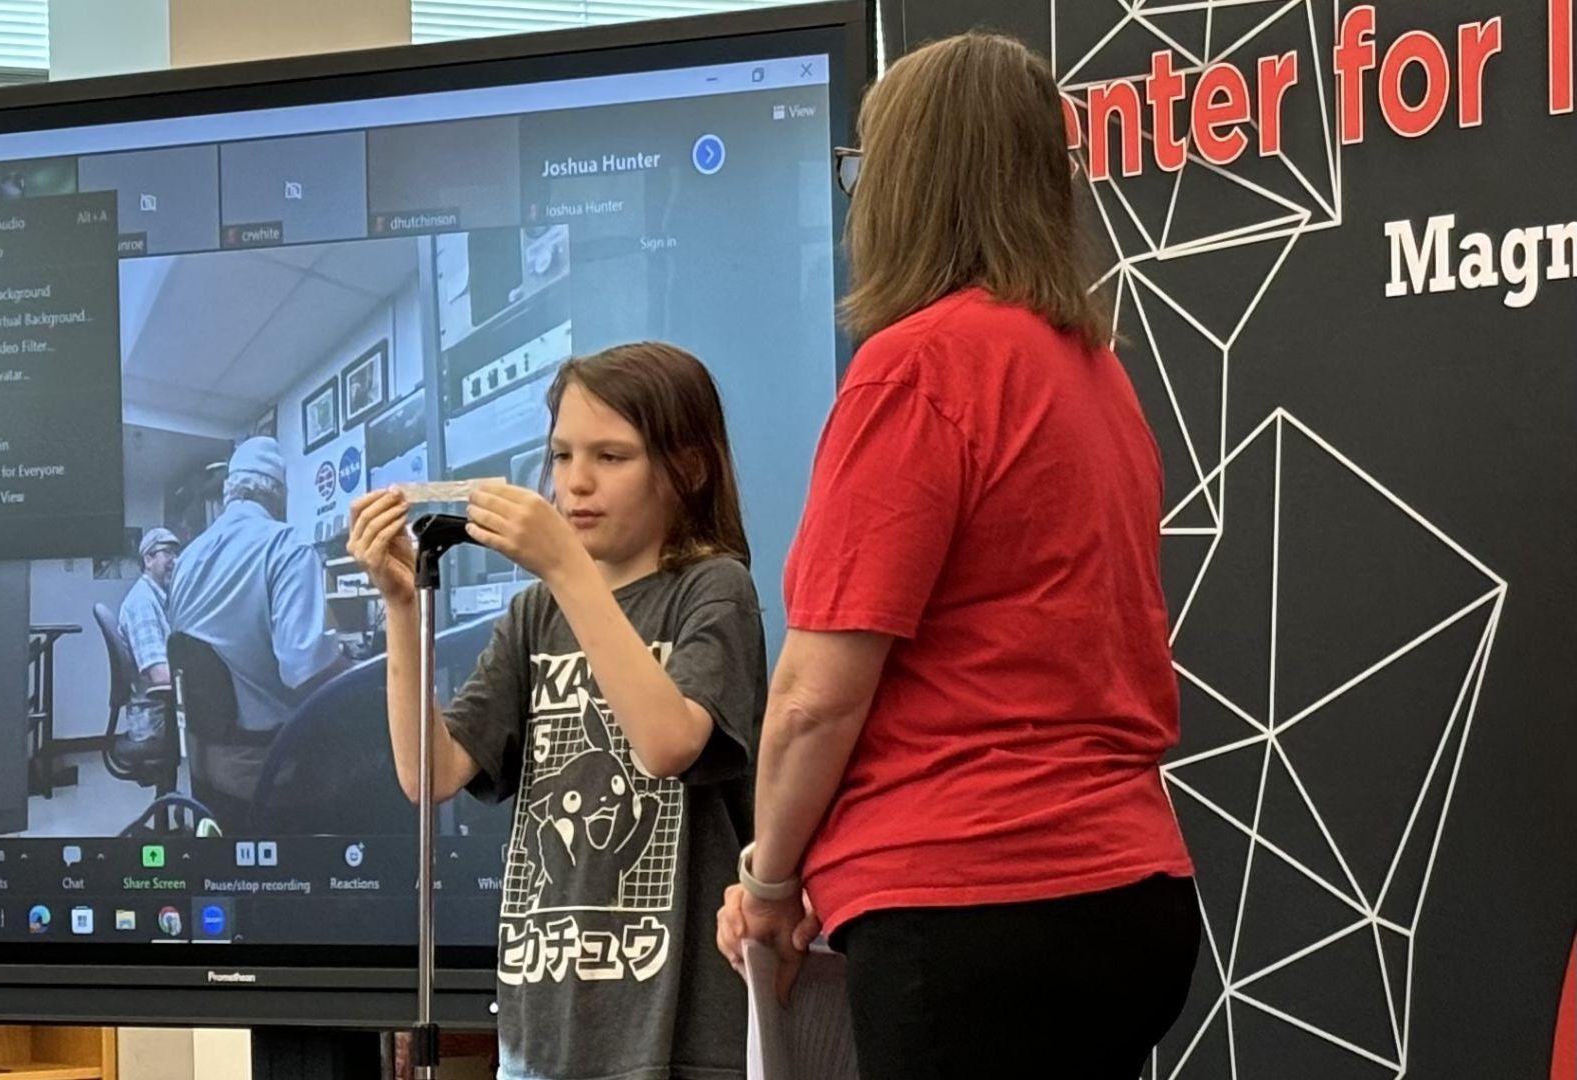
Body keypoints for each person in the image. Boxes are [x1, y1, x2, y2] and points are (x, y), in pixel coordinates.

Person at [715, 32, 1200, 1080]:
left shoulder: (917, 368)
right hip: (1132, 900)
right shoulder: (1095, 376)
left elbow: (815, 697)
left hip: (969, 908)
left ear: (901, 182)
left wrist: (767, 881)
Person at [349, 343, 764, 1080]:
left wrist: (567, 568)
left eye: (611, 456)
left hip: (681, 1031)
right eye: (563, 454)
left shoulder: (712, 589)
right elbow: (429, 772)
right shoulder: (536, 611)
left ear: (688, 468)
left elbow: (670, 743)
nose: (575, 482)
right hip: (543, 1030)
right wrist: (401, 607)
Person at [167, 436, 342, 823]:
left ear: (230, 492)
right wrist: (355, 669)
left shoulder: (185, 559)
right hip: (264, 765)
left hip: (199, 761)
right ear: (278, 496)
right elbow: (306, 671)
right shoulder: (286, 546)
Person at [112, 527, 179, 768]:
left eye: (176, 553)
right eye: (167, 553)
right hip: (155, 720)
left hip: (161, 712)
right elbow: (160, 677)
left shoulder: (159, 598)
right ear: (148, 560)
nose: (175, 561)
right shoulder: (143, 603)